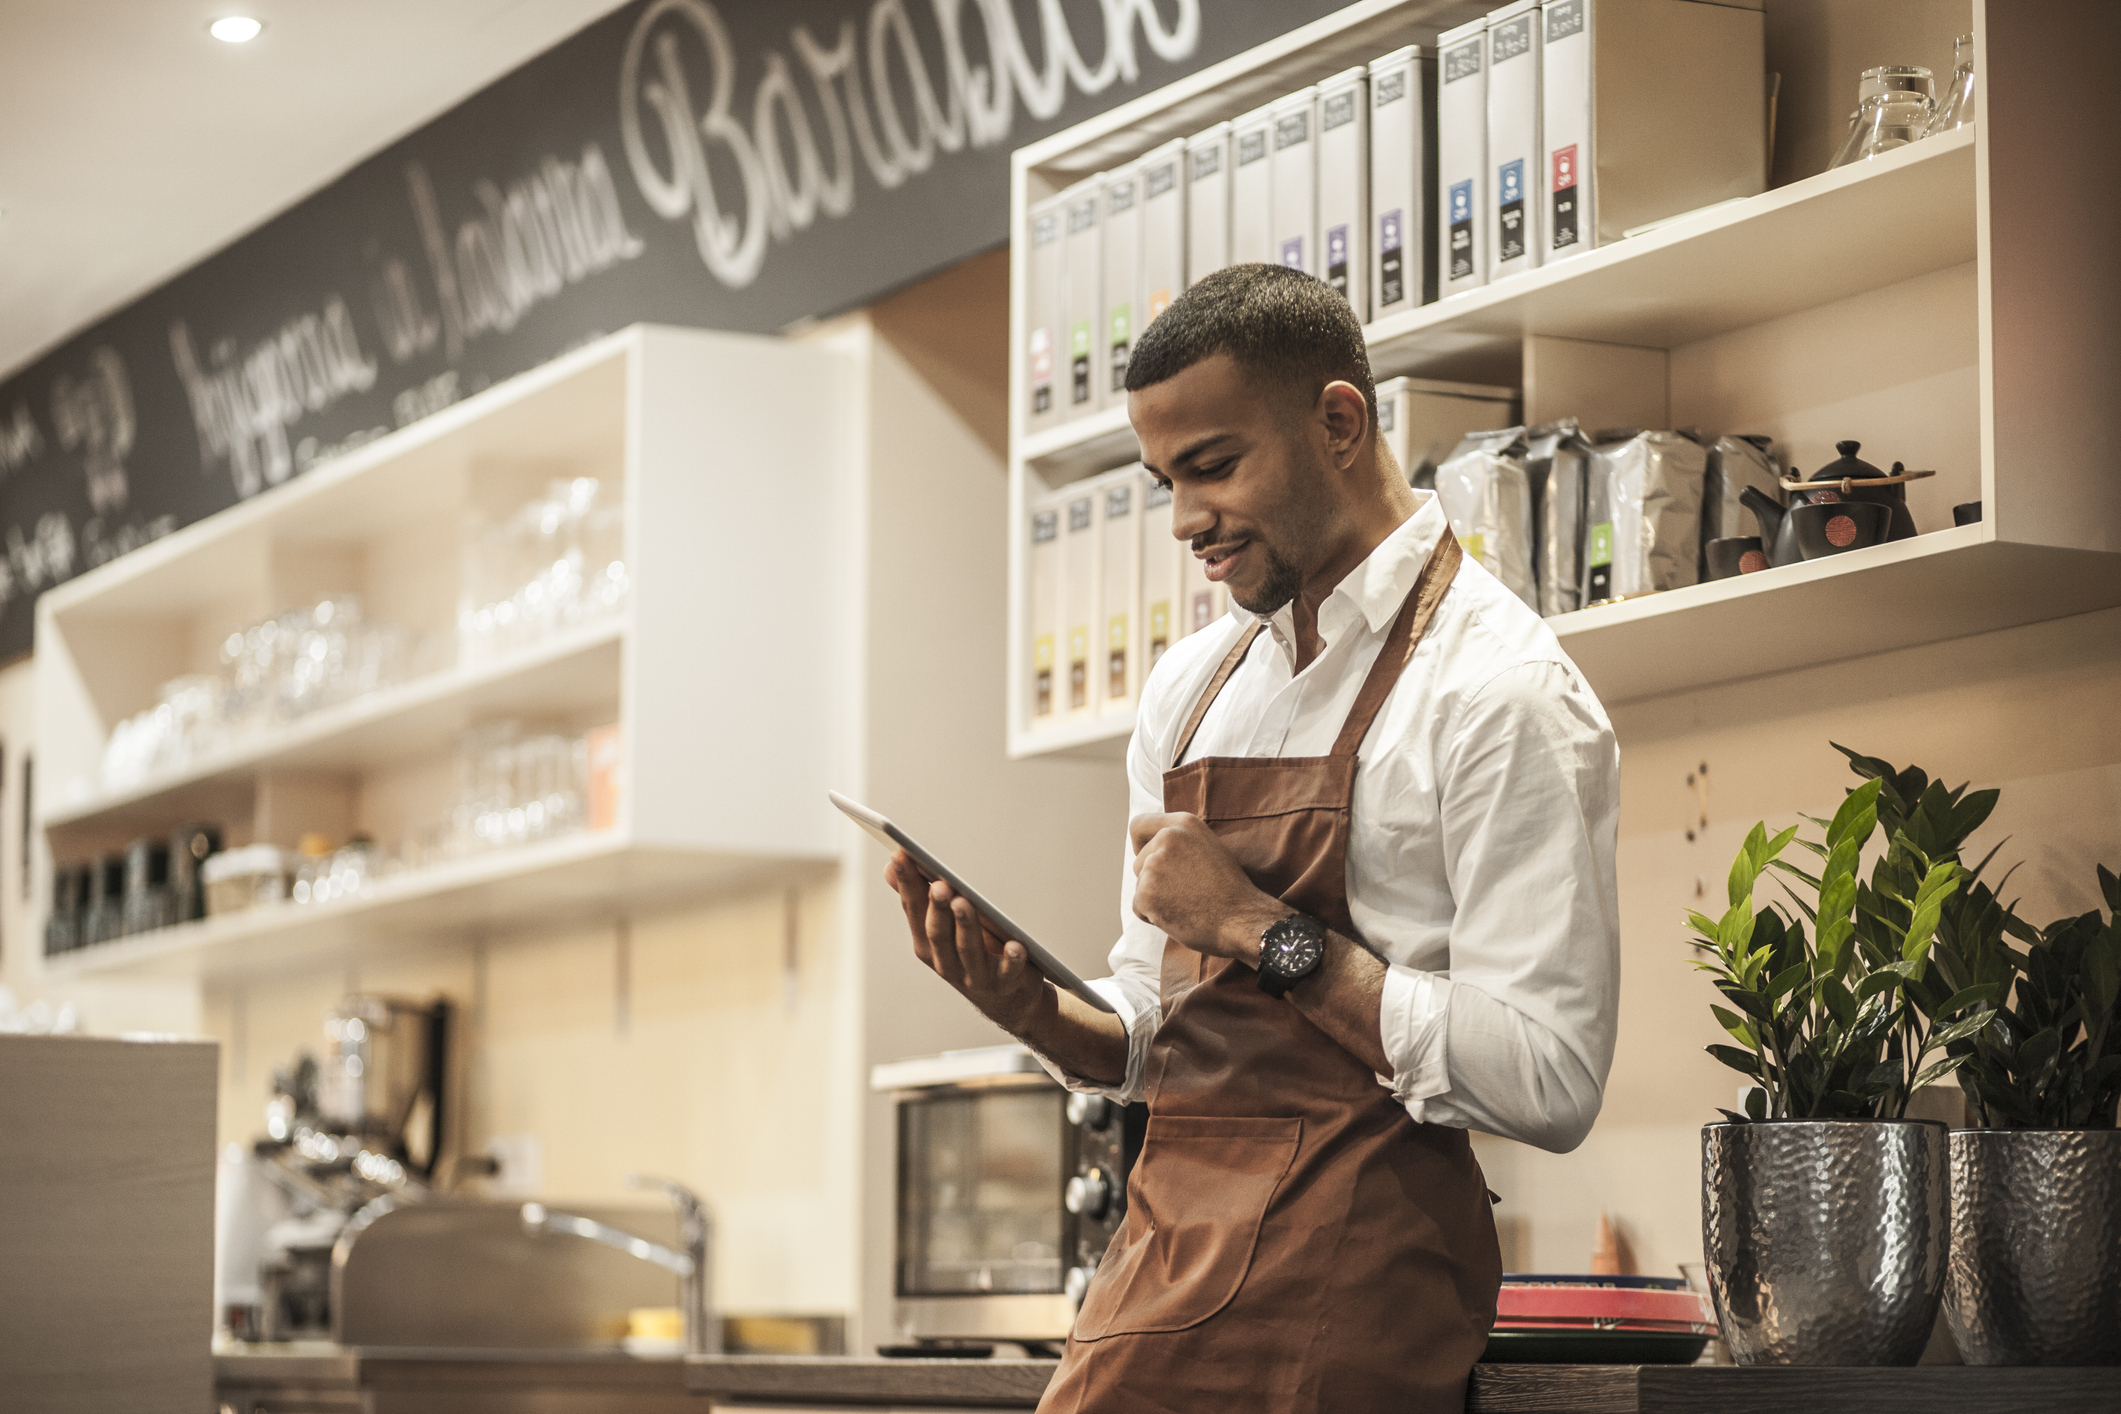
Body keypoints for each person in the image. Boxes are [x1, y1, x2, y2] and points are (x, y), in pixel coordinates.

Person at [886, 264, 1620, 1414]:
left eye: (1214, 467)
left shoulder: (1499, 691)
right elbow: (1155, 1026)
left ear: (1338, 422)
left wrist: (1259, 928)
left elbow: (1552, 1075)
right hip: (1163, 1259)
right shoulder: (1192, 689)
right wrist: (1033, 1010)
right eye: (1164, 480)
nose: (1185, 521)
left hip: (1355, 1279)